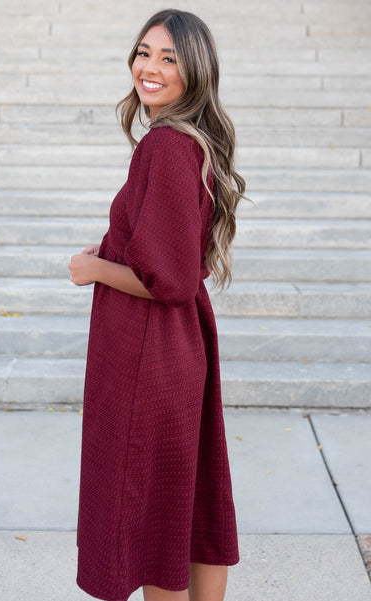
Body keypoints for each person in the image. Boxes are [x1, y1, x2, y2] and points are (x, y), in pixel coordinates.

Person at [68, 8, 246, 601]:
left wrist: (92, 268)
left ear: (195, 71)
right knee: (187, 502)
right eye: (144, 52)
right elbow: (167, 252)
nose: (149, 67)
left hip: (150, 359)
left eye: (169, 58)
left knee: (150, 521)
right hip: (173, 350)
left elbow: (165, 279)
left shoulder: (166, 146)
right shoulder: (187, 143)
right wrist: (117, 246)